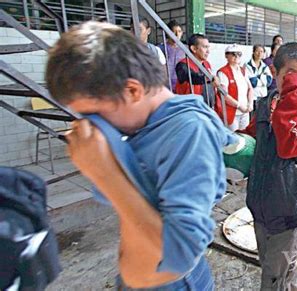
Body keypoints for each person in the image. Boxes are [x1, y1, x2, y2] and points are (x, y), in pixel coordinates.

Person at [46, 21, 236, 290]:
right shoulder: (142, 124)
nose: (89, 125)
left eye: (94, 113)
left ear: (133, 90)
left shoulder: (189, 132)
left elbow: (177, 257)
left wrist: (107, 175)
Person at [241, 42, 297, 290]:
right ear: (274, 73)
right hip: (261, 201)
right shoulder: (267, 103)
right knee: (269, 262)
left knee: (273, 275)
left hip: (289, 206)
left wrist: (291, 94)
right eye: (290, 74)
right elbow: (253, 137)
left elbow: (289, 145)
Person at [216, 44, 254, 131]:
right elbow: (224, 94)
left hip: (244, 112)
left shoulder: (242, 70)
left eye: (239, 54)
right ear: (226, 55)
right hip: (232, 113)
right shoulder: (223, 72)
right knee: (234, 140)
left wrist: (250, 104)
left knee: (245, 137)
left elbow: (250, 88)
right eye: (233, 54)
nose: (236, 56)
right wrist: (239, 105)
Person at [175, 33, 219, 107]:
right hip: (190, 109)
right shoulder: (182, 65)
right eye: (205, 47)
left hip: (207, 108)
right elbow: (193, 77)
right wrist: (210, 78)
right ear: (194, 49)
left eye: (208, 47)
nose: (208, 51)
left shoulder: (206, 64)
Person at [159, 20, 185, 91]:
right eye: (174, 31)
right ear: (168, 33)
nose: (177, 34)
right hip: (166, 85)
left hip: (181, 85)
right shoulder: (161, 48)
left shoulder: (184, 49)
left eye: (179, 31)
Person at [246, 44, 272, 111]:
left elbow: (269, 81)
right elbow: (252, 82)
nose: (259, 53)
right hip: (253, 98)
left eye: (261, 51)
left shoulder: (265, 66)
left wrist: (258, 77)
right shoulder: (247, 65)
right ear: (253, 52)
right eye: (257, 51)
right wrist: (262, 79)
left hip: (263, 97)